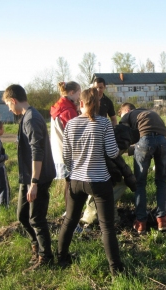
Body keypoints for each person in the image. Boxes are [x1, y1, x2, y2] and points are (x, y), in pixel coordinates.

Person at [58, 88, 124, 274]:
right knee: (107, 227)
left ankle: (62, 258)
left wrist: (76, 166)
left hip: (76, 180)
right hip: (99, 180)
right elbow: (112, 152)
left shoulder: (70, 124)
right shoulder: (103, 123)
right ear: (98, 104)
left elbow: (66, 157)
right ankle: (115, 269)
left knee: (70, 220)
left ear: (81, 103)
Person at [2, 84, 56, 272]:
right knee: (22, 215)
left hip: (37, 178)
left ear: (13, 100)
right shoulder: (26, 117)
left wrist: (34, 182)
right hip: (29, 177)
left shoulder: (31, 119)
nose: (9, 109)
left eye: (8, 105)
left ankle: (46, 257)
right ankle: (36, 245)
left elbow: (37, 152)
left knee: (36, 218)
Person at [119, 102, 166, 234]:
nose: (121, 117)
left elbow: (122, 137)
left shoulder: (128, 115)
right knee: (161, 181)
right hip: (163, 140)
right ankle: (162, 219)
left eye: (121, 114)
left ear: (127, 110)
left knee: (140, 182)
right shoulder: (150, 113)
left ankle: (141, 222)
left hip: (145, 140)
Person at [50, 81, 81, 209]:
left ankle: (69, 214)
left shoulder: (58, 107)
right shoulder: (68, 111)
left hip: (60, 153)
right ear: (72, 92)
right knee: (72, 187)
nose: (80, 97)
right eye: (79, 94)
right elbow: (76, 135)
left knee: (69, 185)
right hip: (69, 155)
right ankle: (71, 216)